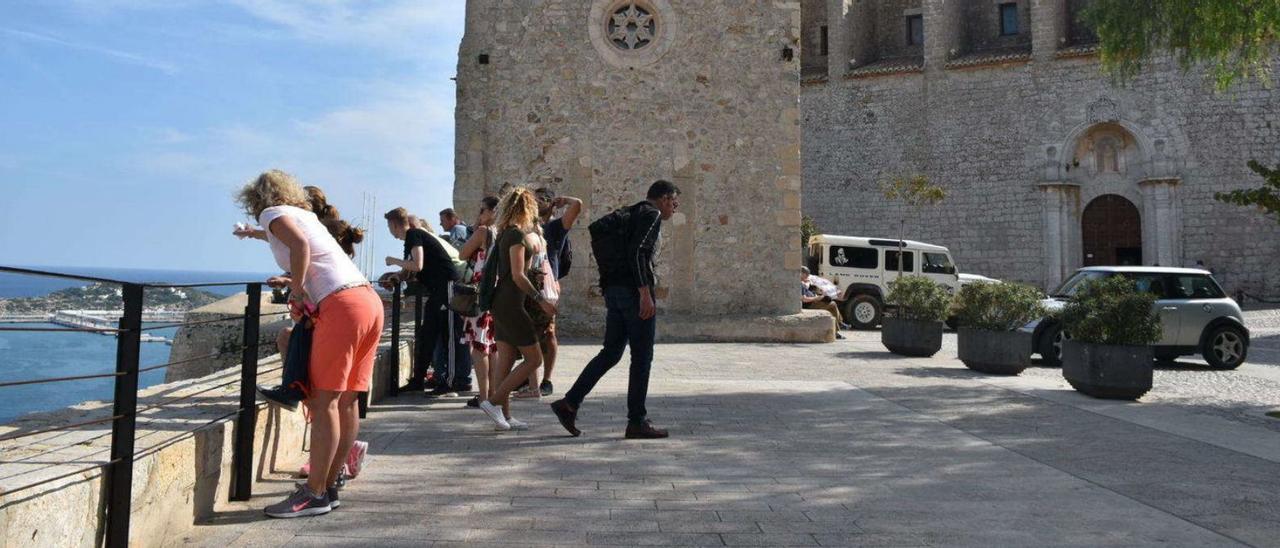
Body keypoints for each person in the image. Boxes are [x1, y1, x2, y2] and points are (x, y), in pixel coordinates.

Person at [237, 170, 383, 518]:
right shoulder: (306, 216)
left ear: (256, 197)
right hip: (367, 301)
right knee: (347, 401)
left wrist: (297, 290)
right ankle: (328, 486)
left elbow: (298, 246)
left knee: (324, 402)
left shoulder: (271, 213)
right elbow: (297, 240)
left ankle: (313, 493)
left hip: (340, 306)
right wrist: (255, 235)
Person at [550, 180, 679, 439]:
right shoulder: (651, 215)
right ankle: (636, 421)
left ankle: (569, 403)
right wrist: (645, 293)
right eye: (674, 202)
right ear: (664, 199)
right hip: (634, 292)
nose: (674, 208)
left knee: (610, 353)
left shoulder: (629, 214)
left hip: (614, 290)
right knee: (642, 357)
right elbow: (638, 253)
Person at [477, 187, 558, 431]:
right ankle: (492, 403)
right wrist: (540, 299)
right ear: (526, 208)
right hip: (511, 304)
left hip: (503, 303)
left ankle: (505, 416)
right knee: (534, 359)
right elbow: (518, 274)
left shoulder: (506, 233)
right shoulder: (514, 236)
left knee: (507, 360)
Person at [384, 207, 460, 392]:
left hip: (446, 286)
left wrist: (393, 260)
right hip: (436, 290)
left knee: (447, 334)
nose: (390, 231)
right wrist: (397, 275)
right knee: (427, 334)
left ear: (394, 225)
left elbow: (417, 265)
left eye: (389, 226)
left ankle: (450, 382)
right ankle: (418, 380)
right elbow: (409, 269)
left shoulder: (414, 234)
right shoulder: (410, 240)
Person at [525, 187, 583, 397]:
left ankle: (546, 380)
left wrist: (563, 199)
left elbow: (577, 204)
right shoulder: (526, 227)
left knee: (548, 333)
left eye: (545, 199)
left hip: (547, 287)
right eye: (536, 199)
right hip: (525, 285)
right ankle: (528, 378)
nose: (540, 202)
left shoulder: (557, 227)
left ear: (552, 203)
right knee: (526, 334)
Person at [460, 196, 500, 409]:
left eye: (483, 210)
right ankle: (493, 393)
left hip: (480, 292)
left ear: (493, 212)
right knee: (492, 345)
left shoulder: (484, 232)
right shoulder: (504, 233)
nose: (479, 214)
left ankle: (483, 395)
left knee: (478, 345)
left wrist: (475, 228)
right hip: (498, 293)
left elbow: (462, 253)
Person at [801, 267, 847, 339]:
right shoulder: (800, 284)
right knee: (832, 304)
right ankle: (839, 324)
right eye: (806, 274)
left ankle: (837, 328)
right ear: (801, 274)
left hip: (814, 301)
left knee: (831, 304)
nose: (807, 276)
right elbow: (804, 299)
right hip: (810, 305)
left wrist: (819, 296)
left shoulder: (804, 283)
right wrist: (817, 298)